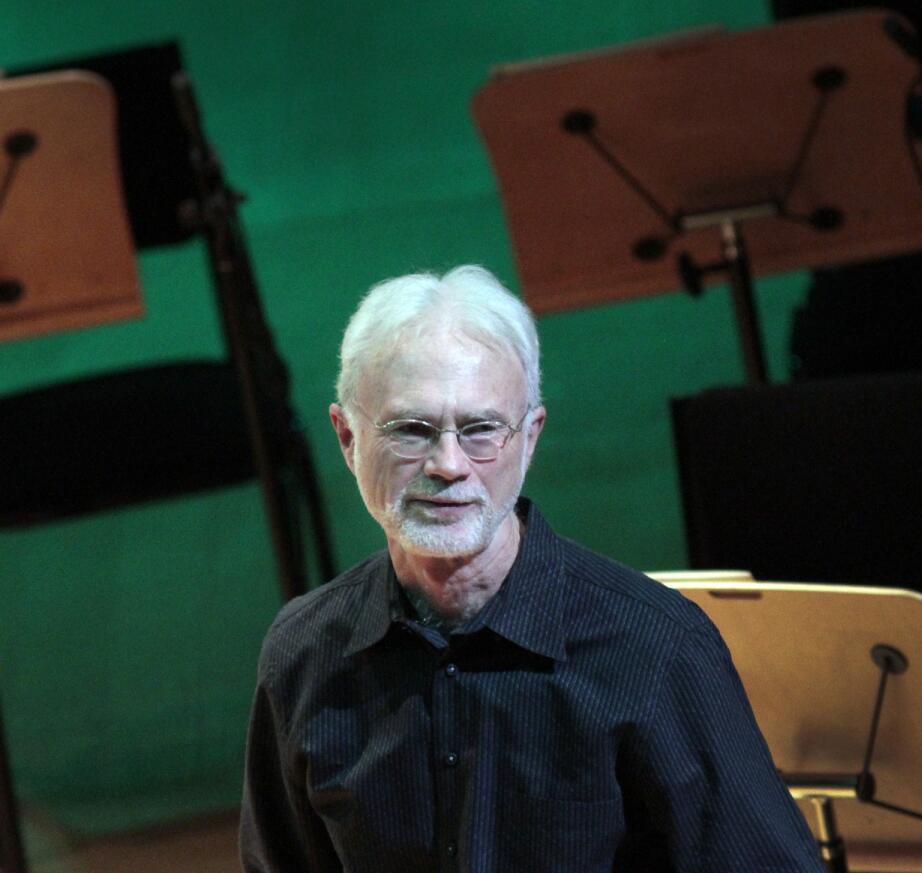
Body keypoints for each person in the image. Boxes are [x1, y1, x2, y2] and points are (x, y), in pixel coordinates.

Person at [239, 265, 824, 872]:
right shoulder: (303, 653)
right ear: (347, 438)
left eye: (481, 429)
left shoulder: (656, 649)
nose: (448, 464)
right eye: (411, 431)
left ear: (530, 437)